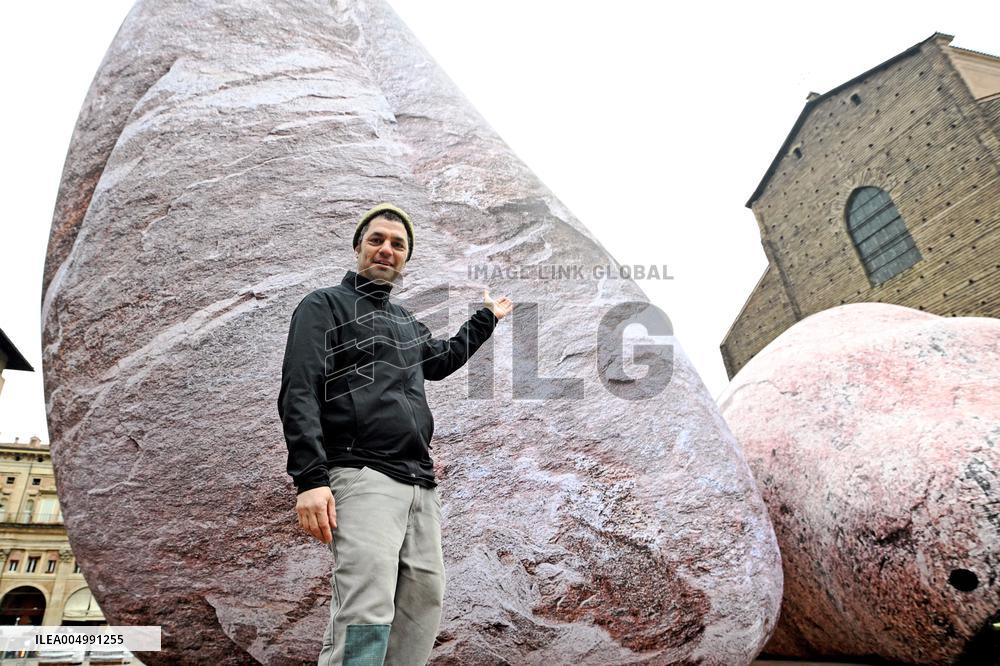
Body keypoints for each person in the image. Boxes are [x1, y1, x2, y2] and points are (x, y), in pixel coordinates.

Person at [277, 203, 513, 666]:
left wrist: (486, 319)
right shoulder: (324, 305)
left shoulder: (407, 322)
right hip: (362, 474)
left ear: (406, 258)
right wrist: (310, 478)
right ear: (358, 247)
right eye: (377, 240)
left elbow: (440, 361)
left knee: (421, 608)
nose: (387, 249)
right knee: (366, 611)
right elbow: (298, 389)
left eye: (398, 245)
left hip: (419, 484)